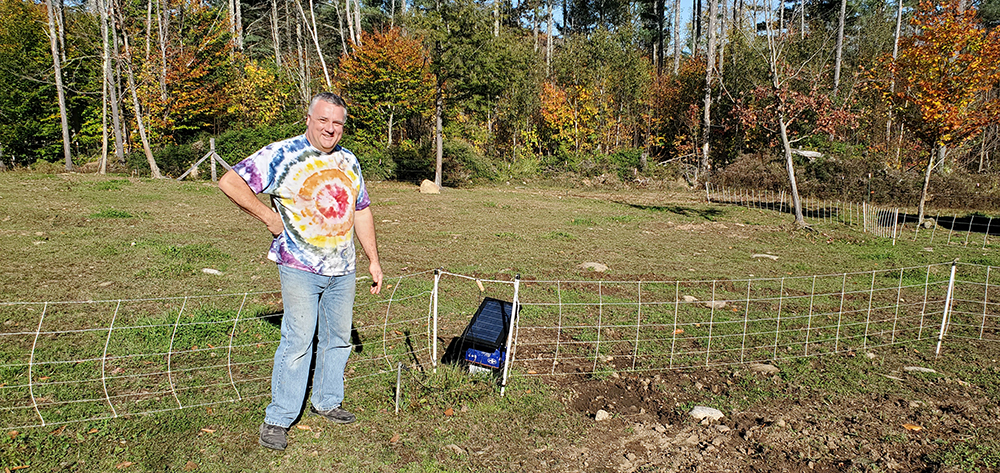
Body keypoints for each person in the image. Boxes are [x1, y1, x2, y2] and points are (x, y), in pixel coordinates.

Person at [218, 92, 383, 451]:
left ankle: (327, 400)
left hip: (343, 269)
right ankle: (278, 418)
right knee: (298, 341)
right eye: (324, 120)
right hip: (299, 266)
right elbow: (229, 182)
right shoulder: (281, 154)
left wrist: (372, 259)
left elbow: (362, 210)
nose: (330, 128)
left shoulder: (349, 161)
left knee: (338, 338)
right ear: (308, 119)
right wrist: (267, 216)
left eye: (337, 122)